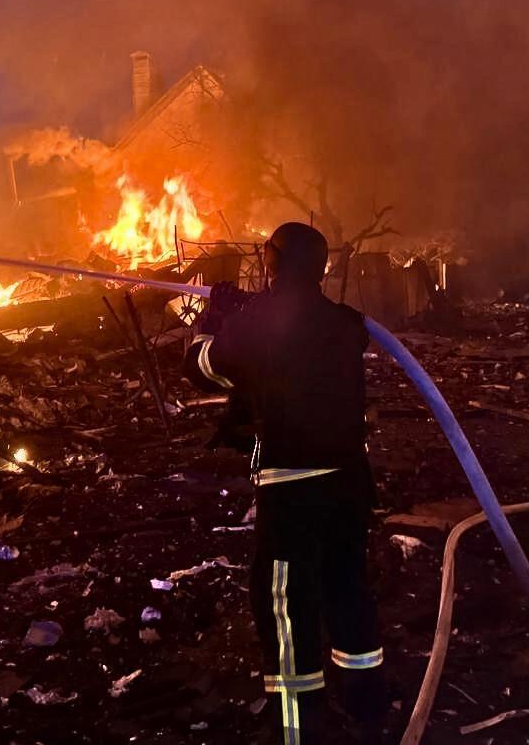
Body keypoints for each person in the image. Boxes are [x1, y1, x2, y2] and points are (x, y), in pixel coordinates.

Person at [185, 222, 385, 745]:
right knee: (347, 584)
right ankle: (366, 704)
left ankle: (298, 726)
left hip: (292, 490)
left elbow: (205, 368)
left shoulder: (255, 325)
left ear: (271, 262)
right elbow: (301, 330)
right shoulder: (347, 324)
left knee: (286, 604)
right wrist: (251, 310)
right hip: (348, 484)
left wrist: (215, 319)